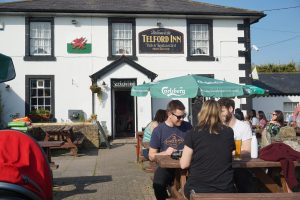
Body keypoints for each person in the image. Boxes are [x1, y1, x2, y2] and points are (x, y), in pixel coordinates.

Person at [180, 100, 235, 199]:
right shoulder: (229, 132)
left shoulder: (193, 133)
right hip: (224, 189)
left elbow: (184, 164)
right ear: (219, 113)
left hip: (197, 189)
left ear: (202, 113)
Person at [149, 100, 192, 200]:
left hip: (187, 165)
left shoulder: (188, 127)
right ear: (169, 114)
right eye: (178, 116)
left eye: (183, 115)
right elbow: (151, 155)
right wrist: (165, 153)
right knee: (157, 184)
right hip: (167, 167)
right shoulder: (158, 130)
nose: (181, 119)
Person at [218, 98, 256, 193]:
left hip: (239, 167)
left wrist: (229, 153)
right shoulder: (217, 127)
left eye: (222, 111)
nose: (219, 114)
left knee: (244, 181)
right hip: (220, 168)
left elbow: (247, 150)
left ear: (230, 109)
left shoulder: (243, 127)